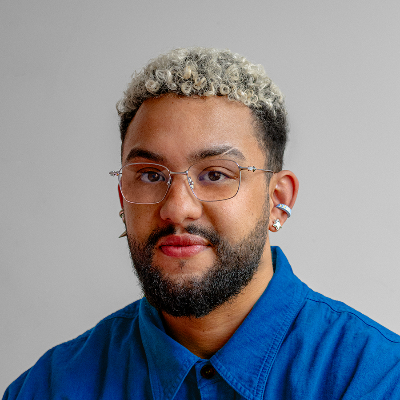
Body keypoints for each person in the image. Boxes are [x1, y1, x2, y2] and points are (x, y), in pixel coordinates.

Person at [4, 47, 400, 399]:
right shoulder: (49, 388)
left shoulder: (377, 380)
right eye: (150, 175)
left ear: (278, 201)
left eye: (215, 174)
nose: (177, 209)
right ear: (122, 198)